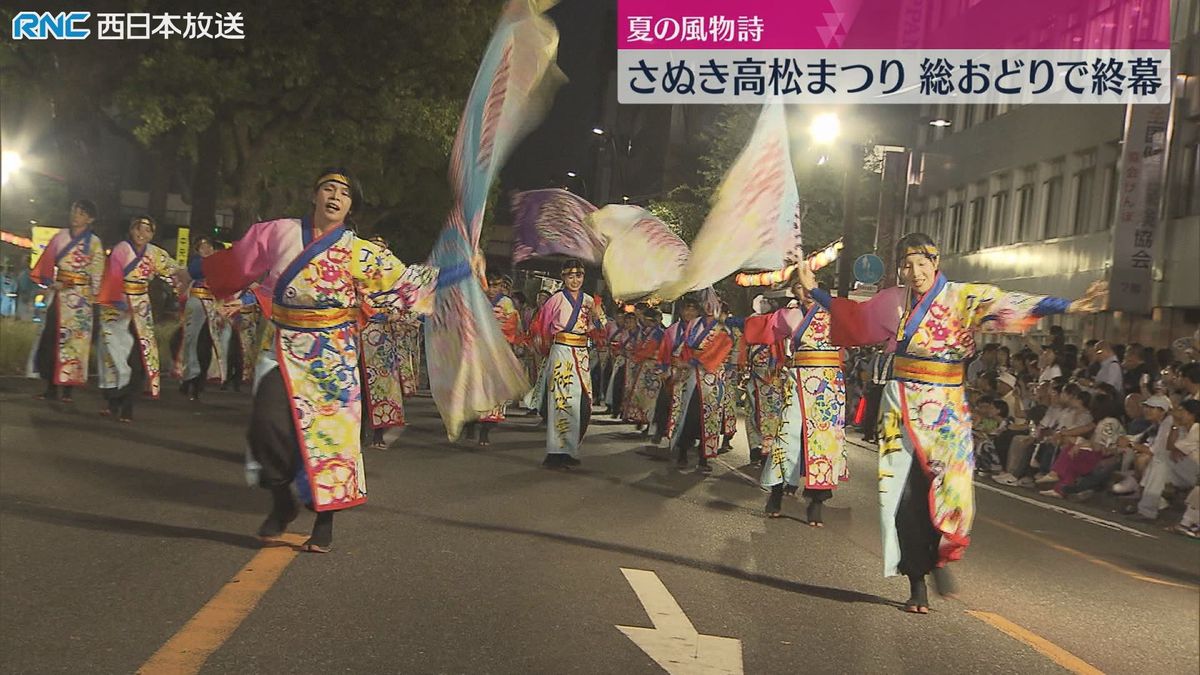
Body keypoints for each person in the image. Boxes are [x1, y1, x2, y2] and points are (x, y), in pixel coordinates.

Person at [794, 232, 1105, 613]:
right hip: (901, 405)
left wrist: (1071, 306)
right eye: (907, 265)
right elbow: (854, 317)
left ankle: (940, 553)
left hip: (945, 409)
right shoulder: (893, 300)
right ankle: (917, 579)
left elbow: (1010, 302)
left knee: (949, 489)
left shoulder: (961, 297)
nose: (914, 272)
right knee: (903, 495)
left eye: (921, 264)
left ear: (935, 263)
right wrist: (817, 291)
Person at [175, 168, 437, 552]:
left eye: (344, 193)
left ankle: (324, 520)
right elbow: (237, 261)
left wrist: (460, 270)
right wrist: (193, 269)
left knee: (329, 439)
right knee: (266, 426)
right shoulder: (277, 232)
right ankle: (282, 500)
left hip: (333, 355)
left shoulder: (362, 253)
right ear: (314, 195)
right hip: (283, 344)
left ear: (351, 207)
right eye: (328, 188)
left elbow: (407, 285)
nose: (335, 196)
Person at [756, 278, 848, 525]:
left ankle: (816, 501)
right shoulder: (790, 315)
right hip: (797, 380)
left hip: (828, 385)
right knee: (786, 434)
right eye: (801, 290)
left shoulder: (834, 312)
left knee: (823, 442)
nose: (807, 294)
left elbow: (856, 326)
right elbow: (761, 327)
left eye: (810, 288)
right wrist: (727, 321)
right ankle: (777, 491)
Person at [96, 216, 181, 422]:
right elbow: (114, 276)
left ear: (152, 234)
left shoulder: (155, 253)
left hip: (141, 308)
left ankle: (127, 406)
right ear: (131, 230)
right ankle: (112, 402)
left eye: (147, 230)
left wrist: (182, 287)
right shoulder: (121, 249)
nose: (142, 234)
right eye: (138, 229)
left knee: (137, 356)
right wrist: (117, 300)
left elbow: (174, 272)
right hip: (117, 306)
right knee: (113, 355)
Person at [28, 200, 105, 403]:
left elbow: (97, 272)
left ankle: (69, 389)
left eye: (81, 213)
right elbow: (46, 263)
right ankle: (50, 386)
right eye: (74, 211)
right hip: (61, 296)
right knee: (52, 339)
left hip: (82, 299)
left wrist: (97, 298)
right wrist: (50, 282)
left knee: (76, 342)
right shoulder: (60, 237)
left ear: (90, 219)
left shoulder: (95, 243)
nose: (76, 216)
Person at [533, 259, 605, 469]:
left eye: (579, 276)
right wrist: (545, 350)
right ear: (563, 277)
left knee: (580, 403)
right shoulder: (555, 300)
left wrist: (598, 314)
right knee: (561, 402)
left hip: (581, 354)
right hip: (562, 351)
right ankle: (555, 452)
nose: (575, 280)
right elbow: (541, 327)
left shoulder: (590, 301)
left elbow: (600, 329)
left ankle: (569, 450)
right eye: (570, 276)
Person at [664, 297, 733, 474]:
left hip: (712, 377)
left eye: (715, 304)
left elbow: (717, 354)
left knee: (709, 418)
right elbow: (684, 347)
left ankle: (704, 456)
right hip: (691, 375)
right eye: (709, 303)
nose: (711, 307)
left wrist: (690, 363)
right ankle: (683, 452)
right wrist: (679, 363)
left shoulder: (723, 329)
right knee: (688, 414)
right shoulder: (694, 324)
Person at [359, 236, 410, 450]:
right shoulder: (356, 274)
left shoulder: (394, 279)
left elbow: (401, 308)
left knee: (380, 388)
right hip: (356, 336)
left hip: (380, 341)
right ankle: (357, 434)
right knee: (356, 388)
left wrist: (389, 314)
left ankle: (378, 433)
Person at [175, 235, 235, 401]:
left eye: (208, 246)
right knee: (191, 340)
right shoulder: (197, 263)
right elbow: (193, 274)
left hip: (214, 304)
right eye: (202, 246)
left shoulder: (221, 265)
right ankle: (190, 377)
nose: (206, 249)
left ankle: (206, 378)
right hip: (196, 302)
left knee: (212, 342)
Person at [464, 272, 521, 447]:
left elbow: (511, 326)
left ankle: (485, 431)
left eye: (496, 285)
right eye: (489, 285)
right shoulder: (475, 299)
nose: (492, 289)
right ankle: (471, 422)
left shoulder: (506, 303)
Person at [1130, 398, 1199, 521]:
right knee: (1159, 463)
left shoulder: (1196, 429)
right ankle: (1148, 509)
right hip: (1185, 470)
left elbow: (1172, 448)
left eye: (1182, 411)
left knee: (1159, 460)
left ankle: (1149, 507)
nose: (1178, 413)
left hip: (1195, 474)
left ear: (1191, 414)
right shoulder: (1182, 427)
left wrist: (1175, 447)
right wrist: (1175, 427)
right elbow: (1170, 448)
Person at [740, 295, 786, 466]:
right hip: (754, 374)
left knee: (770, 414)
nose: (764, 304)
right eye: (762, 301)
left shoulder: (778, 322)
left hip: (771, 376)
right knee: (752, 412)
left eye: (767, 301)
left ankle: (767, 449)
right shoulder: (752, 321)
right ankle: (754, 447)